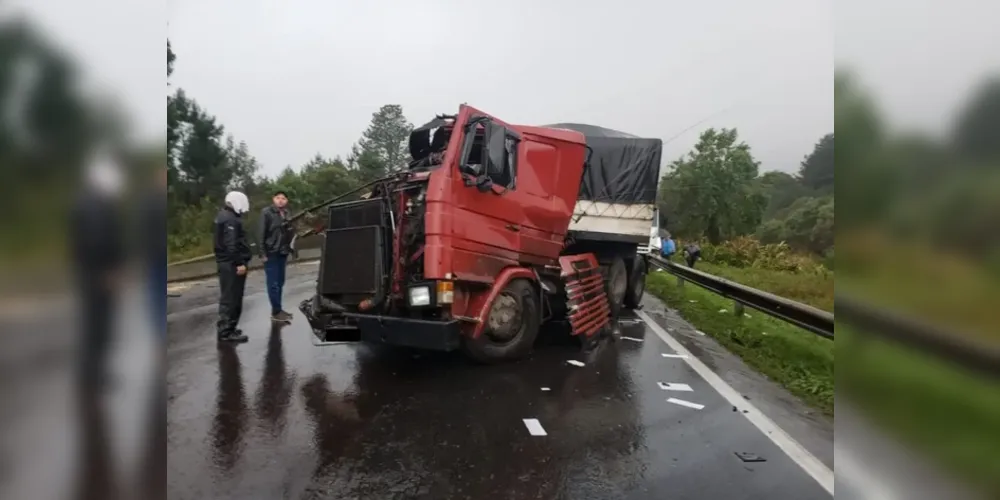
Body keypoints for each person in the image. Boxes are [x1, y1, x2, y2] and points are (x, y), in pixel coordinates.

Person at [70, 152, 126, 394]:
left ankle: (92, 375)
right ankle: (94, 378)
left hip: (88, 274)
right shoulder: (95, 206)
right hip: (97, 275)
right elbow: (97, 241)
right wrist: (108, 271)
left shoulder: (88, 202)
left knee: (94, 325)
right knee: (98, 326)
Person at [215, 191, 253, 343]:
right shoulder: (230, 219)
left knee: (230, 297)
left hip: (227, 263)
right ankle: (226, 331)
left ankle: (228, 328)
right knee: (232, 297)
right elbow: (231, 245)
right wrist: (239, 263)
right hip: (231, 264)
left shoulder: (224, 216)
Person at [258, 190, 295, 323]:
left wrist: (291, 248)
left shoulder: (287, 213)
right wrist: (262, 252)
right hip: (271, 252)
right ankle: (276, 311)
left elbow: (290, 233)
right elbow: (261, 233)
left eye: (283, 198)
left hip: (282, 252)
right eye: (278, 198)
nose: (280, 200)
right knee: (273, 283)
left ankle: (278, 309)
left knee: (280, 282)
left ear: (286, 201)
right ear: (273, 199)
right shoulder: (266, 212)